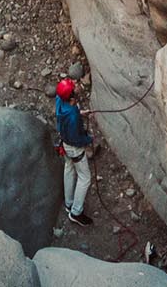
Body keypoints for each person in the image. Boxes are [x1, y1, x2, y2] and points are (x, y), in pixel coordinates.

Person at [55, 77, 95, 226]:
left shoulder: (60, 100)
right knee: (85, 178)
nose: (77, 85)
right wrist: (89, 139)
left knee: (69, 169)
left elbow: (71, 112)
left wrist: (80, 113)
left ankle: (69, 202)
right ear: (72, 96)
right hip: (73, 148)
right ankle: (76, 212)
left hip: (64, 143)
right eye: (75, 86)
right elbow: (76, 139)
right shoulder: (72, 116)